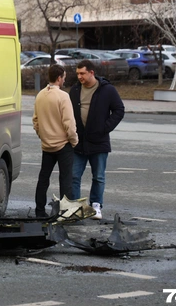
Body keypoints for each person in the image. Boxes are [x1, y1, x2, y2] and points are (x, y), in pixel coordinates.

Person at [69, 60, 125, 220]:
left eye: (82, 73)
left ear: (91, 73)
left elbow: (119, 110)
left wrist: (105, 127)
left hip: (99, 141)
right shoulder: (75, 90)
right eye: (77, 73)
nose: (79, 76)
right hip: (79, 141)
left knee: (98, 176)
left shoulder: (107, 90)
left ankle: (96, 205)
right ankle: (76, 207)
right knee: (74, 176)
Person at [32, 64, 78, 218]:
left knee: (43, 178)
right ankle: (66, 213)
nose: (64, 80)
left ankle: (39, 210)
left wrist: (42, 135)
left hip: (47, 145)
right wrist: (74, 140)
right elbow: (69, 124)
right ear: (59, 78)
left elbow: (36, 120)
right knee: (66, 180)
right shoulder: (63, 96)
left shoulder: (40, 95)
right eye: (63, 77)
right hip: (63, 144)